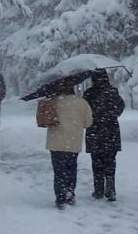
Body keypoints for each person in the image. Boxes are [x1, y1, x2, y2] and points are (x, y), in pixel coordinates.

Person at [45, 78, 93, 210]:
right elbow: (88, 123)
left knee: (59, 170)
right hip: (73, 141)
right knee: (71, 168)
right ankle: (70, 192)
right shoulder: (81, 103)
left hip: (56, 141)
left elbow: (45, 118)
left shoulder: (53, 102)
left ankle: (60, 196)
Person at [83, 70, 125, 201]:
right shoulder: (112, 92)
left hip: (95, 131)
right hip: (111, 131)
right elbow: (120, 107)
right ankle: (110, 188)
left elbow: (84, 111)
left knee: (96, 162)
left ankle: (99, 189)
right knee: (110, 161)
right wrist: (111, 114)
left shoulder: (89, 93)